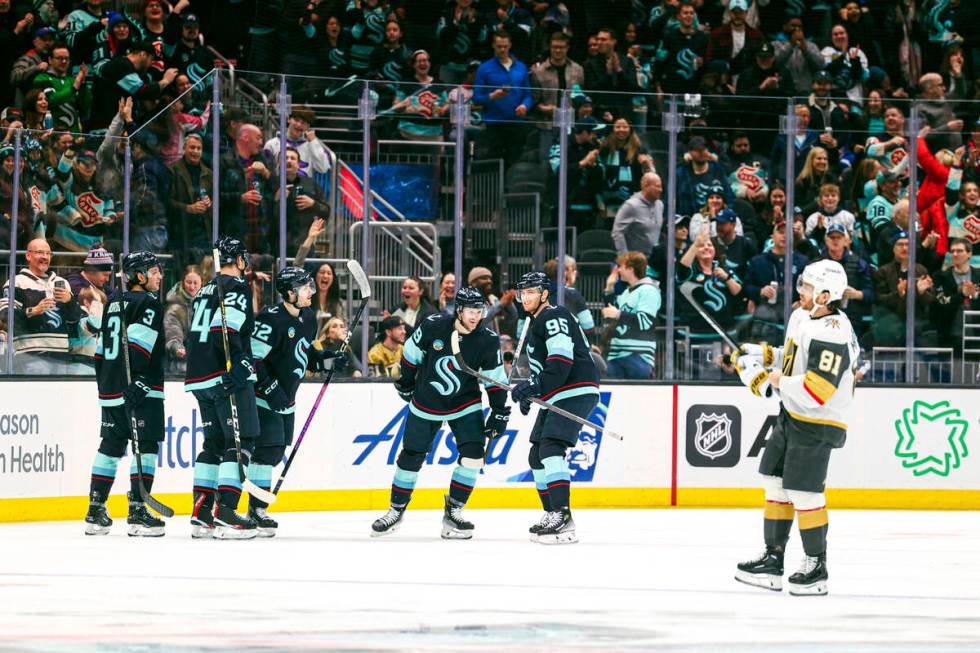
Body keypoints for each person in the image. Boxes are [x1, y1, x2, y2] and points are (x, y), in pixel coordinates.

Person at [733, 259, 859, 596]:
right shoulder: (802, 315)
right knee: (775, 483)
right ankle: (772, 561)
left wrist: (773, 380)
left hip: (818, 422)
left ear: (826, 294)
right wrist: (762, 354)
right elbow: (792, 356)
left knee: (805, 492)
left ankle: (816, 567)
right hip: (793, 415)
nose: (800, 290)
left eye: (807, 286)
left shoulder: (834, 333)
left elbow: (818, 390)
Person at [371, 287, 510, 539]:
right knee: (411, 456)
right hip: (426, 401)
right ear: (458, 310)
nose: (476, 316)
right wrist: (405, 382)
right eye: (471, 311)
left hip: (465, 405)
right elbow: (411, 355)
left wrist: (500, 410)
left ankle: (454, 511)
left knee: (473, 456)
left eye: (479, 311)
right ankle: (395, 509)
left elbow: (495, 379)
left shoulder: (487, 339)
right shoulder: (434, 325)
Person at [247, 267, 346, 536]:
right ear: (290, 293)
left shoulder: (309, 317)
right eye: (304, 288)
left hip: (287, 398)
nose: (310, 292)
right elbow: (254, 360)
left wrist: (328, 359)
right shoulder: (270, 319)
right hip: (263, 398)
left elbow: (306, 354)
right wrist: (269, 388)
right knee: (266, 452)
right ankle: (254, 509)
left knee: (276, 453)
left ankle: (254, 506)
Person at [510, 271, 600, 544]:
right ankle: (551, 512)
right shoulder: (535, 321)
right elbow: (548, 370)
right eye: (523, 292)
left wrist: (534, 385)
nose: (526, 297)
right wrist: (532, 391)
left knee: (550, 447)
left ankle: (563, 515)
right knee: (537, 455)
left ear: (544, 294)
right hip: (558, 393)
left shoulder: (553, 316)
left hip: (575, 389)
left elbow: (560, 362)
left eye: (532, 292)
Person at [84, 252, 167, 537]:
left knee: (110, 445)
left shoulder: (114, 302)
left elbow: (100, 351)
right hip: (140, 390)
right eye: (154, 271)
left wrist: (106, 384)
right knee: (147, 446)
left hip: (110, 385)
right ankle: (137, 511)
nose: (159, 276)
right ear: (140, 276)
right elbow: (139, 348)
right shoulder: (149, 303)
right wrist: (142, 382)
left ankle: (95, 510)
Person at [183, 237, 259, 540]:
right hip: (223, 374)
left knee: (214, 442)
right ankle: (226, 511)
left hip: (199, 375)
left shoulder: (204, 288)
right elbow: (223, 330)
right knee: (242, 440)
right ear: (238, 259)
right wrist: (240, 364)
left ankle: (201, 512)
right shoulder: (237, 286)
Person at [7, 238, 83, 374]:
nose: (45, 257)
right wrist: (33, 311)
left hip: (61, 355)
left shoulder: (62, 283)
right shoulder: (16, 282)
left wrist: (69, 301)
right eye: (40, 252)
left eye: (48, 254)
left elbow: (75, 319)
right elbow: (5, 317)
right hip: (30, 356)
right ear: (28, 255)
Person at [472, 30, 531, 167]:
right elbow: (476, 98)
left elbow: (528, 94)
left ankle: (510, 189)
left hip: (516, 123)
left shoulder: (521, 67)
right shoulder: (484, 68)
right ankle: (494, 189)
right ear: (493, 45)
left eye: (505, 46)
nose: (502, 49)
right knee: (493, 162)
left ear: (510, 45)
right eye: (499, 46)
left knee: (514, 162)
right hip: (494, 124)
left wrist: (524, 106)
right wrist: (492, 96)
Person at [602, 251, 661, 379]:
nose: (618, 270)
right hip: (616, 355)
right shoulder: (626, 293)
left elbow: (645, 321)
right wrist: (609, 288)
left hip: (638, 356)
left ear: (630, 268)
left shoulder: (649, 290)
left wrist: (617, 314)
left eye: (620, 266)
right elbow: (611, 313)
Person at [263, 104, 332, 176]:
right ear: (289, 119)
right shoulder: (272, 144)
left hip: (304, 186)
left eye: (303, 123)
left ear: (308, 126)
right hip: (279, 186)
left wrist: (314, 142)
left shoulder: (312, 146)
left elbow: (323, 169)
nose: (299, 124)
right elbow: (266, 170)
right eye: (296, 120)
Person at [163, 264, 202, 376]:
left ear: (202, 282)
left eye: (196, 283)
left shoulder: (208, 302)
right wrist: (177, 347)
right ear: (182, 282)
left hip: (203, 365)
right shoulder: (174, 308)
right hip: (178, 369)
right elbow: (172, 332)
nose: (192, 286)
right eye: (189, 282)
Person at [612, 172, 663, 255]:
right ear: (645, 186)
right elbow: (617, 233)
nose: (661, 190)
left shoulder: (660, 205)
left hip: (654, 259)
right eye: (657, 186)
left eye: (661, 186)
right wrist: (624, 257)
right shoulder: (631, 206)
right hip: (636, 259)